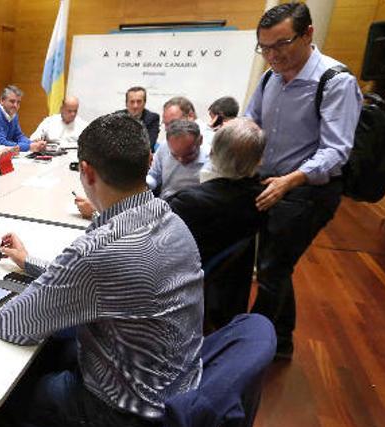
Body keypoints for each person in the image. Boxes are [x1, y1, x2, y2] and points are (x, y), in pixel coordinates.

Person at [0, 114, 203, 427]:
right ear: (150, 162)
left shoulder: (99, 251)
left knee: (2, 389)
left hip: (125, 417)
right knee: (52, 352)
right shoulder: (171, 219)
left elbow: (13, 323)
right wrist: (30, 263)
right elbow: (90, 280)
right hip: (172, 394)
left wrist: (42, 285)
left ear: (86, 171)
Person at [244, 2, 361, 359]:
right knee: (275, 264)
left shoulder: (335, 81)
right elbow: (252, 119)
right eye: (264, 48)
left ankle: (249, 350)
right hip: (272, 183)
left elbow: (336, 150)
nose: (272, 56)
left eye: (281, 45)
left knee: (272, 267)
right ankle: (280, 340)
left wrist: (289, 181)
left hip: (309, 189)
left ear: (308, 34)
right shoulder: (270, 77)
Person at [167, 118, 266, 330]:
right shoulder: (263, 198)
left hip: (176, 284)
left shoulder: (190, 202)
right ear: (258, 160)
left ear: (212, 152)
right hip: (223, 294)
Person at [146, 119, 211, 199]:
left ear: (200, 140)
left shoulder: (211, 160)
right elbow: (154, 175)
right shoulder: (165, 147)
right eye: (174, 155)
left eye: (188, 155)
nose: (181, 160)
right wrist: (143, 185)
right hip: (165, 201)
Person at [0, 85, 47, 153]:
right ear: (2, 100)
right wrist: (29, 146)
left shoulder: (13, 114)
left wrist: (33, 143)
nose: (15, 105)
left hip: (6, 152)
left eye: (18, 102)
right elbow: (1, 142)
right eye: (12, 101)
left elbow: (18, 136)